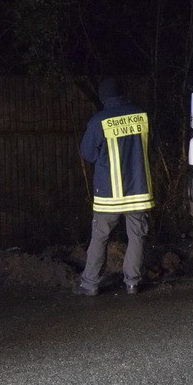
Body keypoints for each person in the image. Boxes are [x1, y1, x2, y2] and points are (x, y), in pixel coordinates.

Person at [76, 78, 155, 296]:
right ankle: (132, 283)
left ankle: (90, 284)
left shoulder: (99, 121)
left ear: (103, 97)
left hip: (109, 194)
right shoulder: (142, 116)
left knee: (100, 236)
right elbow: (151, 148)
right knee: (137, 236)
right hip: (139, 190)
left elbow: (87, 154)